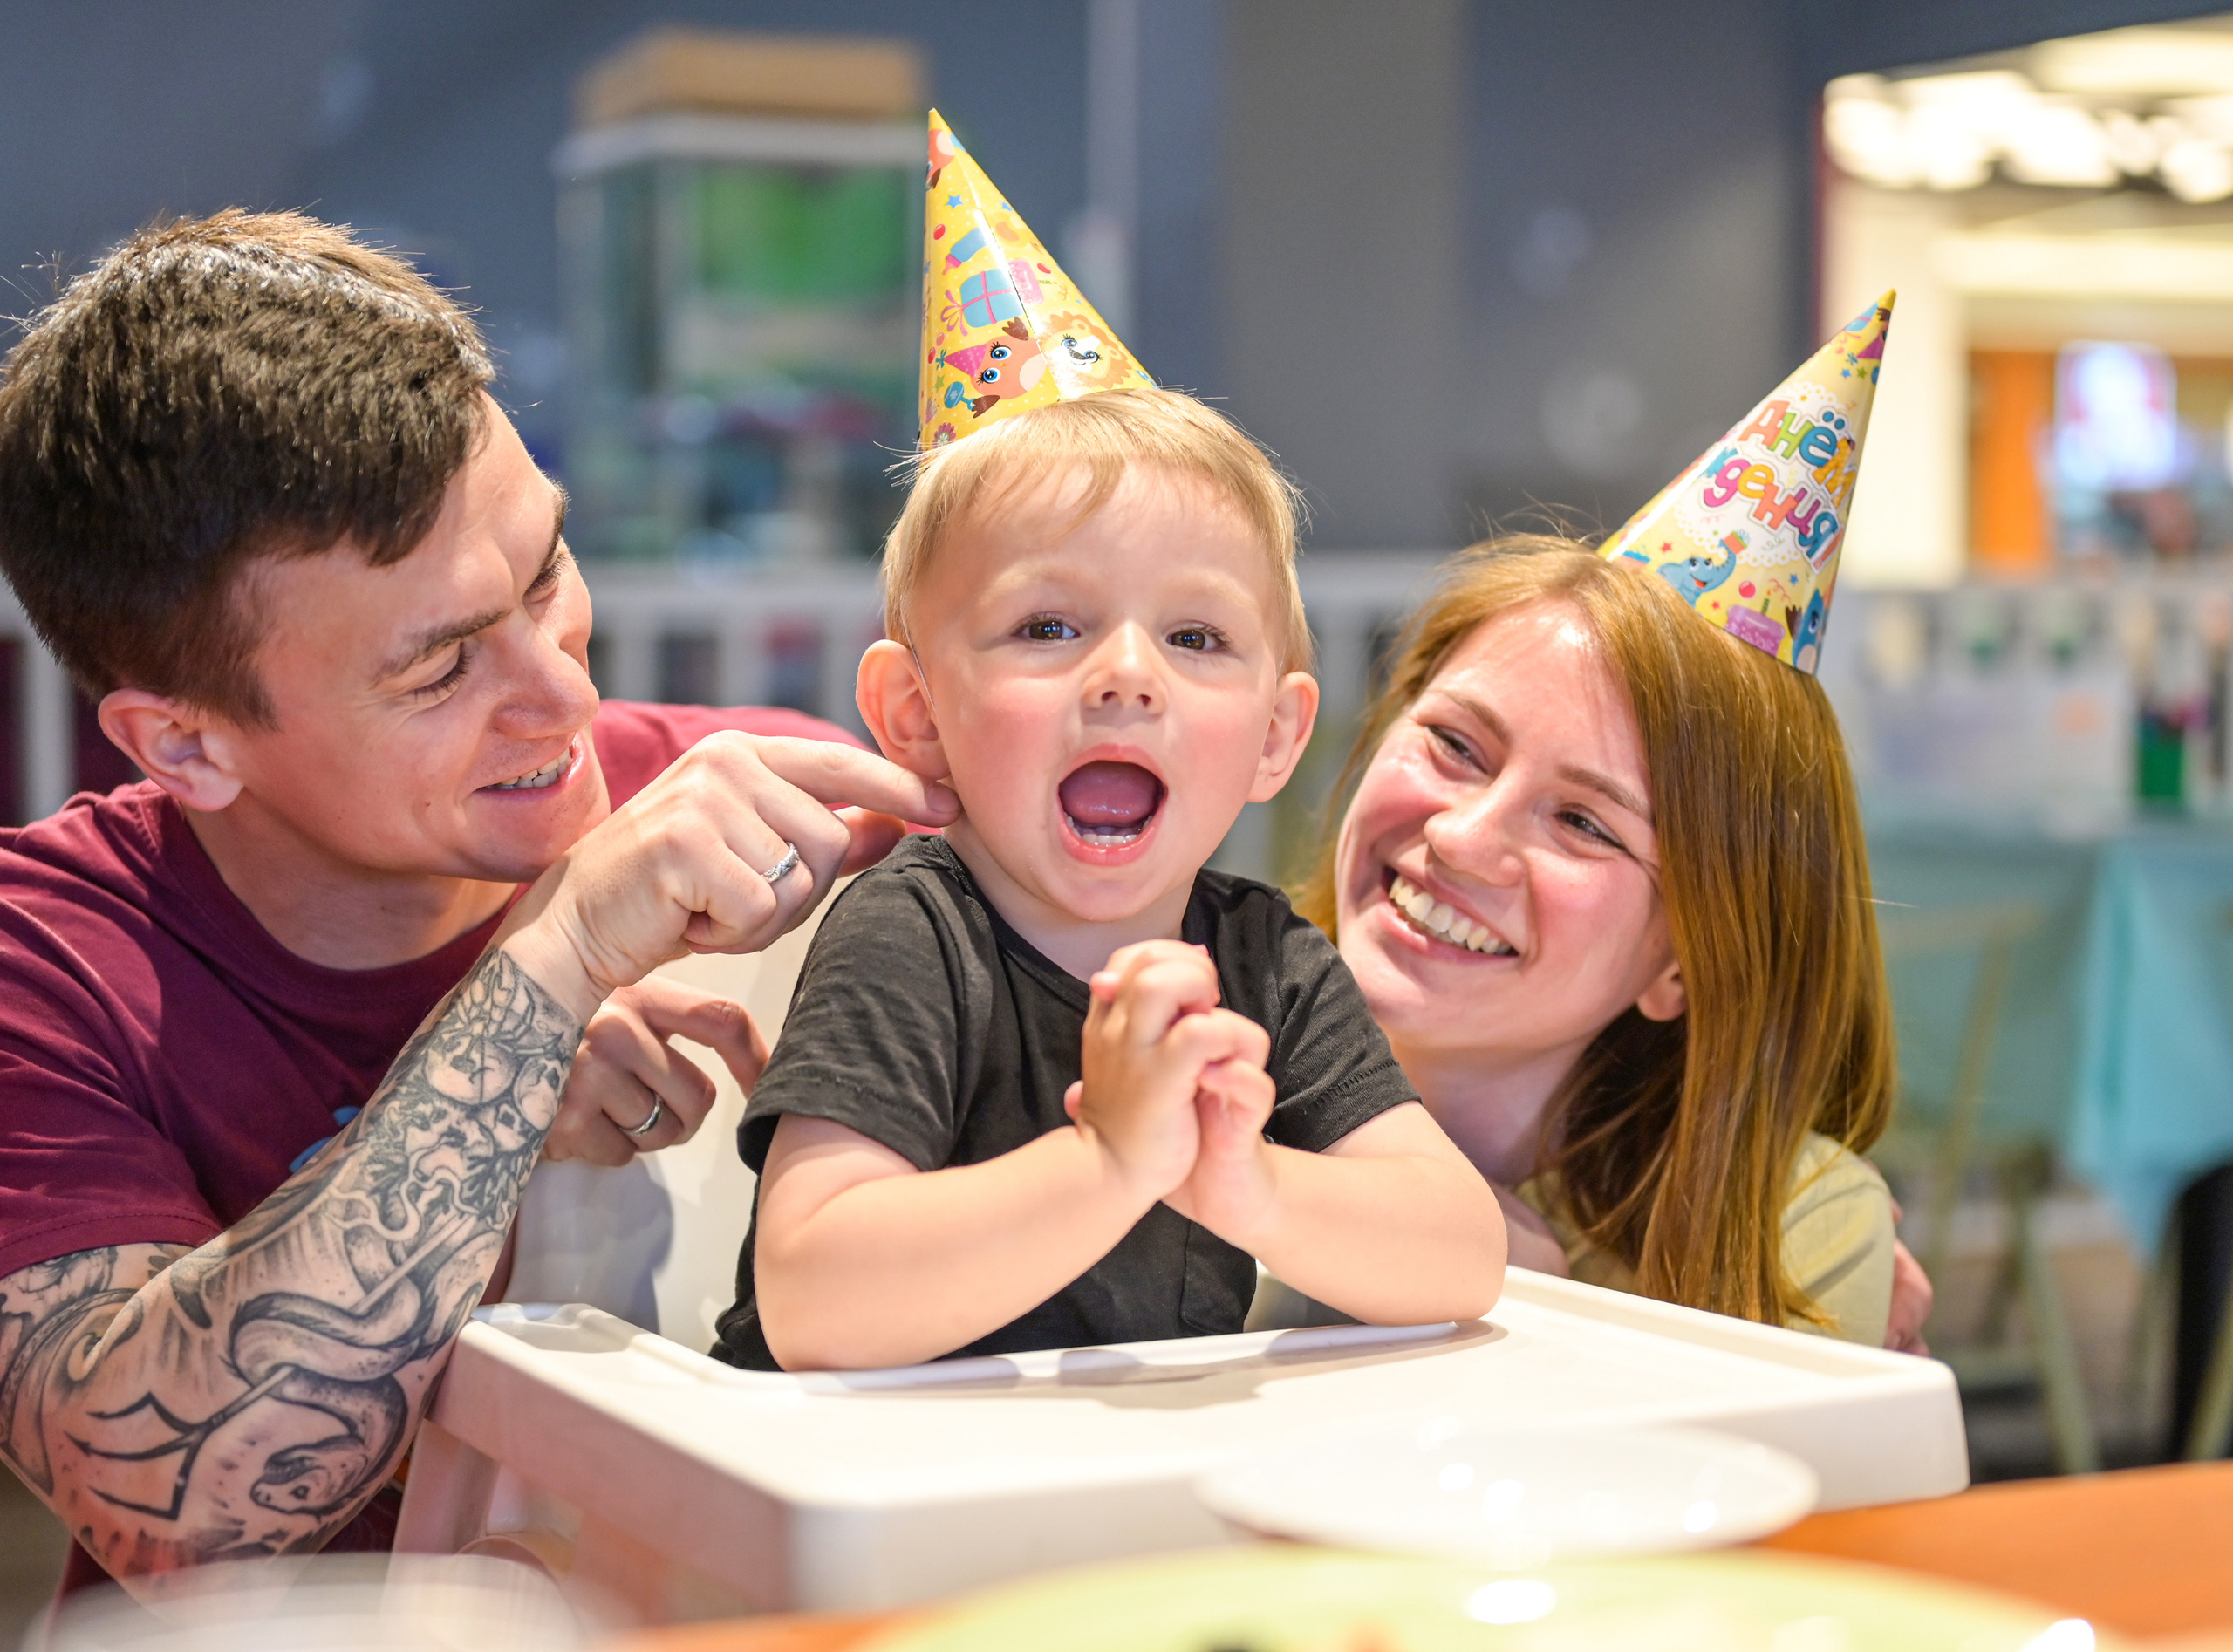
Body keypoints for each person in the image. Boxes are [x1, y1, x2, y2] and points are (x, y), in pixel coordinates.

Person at [0, 209, 955, 1592]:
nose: (568, 691)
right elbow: (171, 1496)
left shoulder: (767, 798)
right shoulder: (49, 962)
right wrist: (550, 969)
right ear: (185, 745)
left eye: (547, 569)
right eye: (442, 667)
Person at [711, 119, 1501, 1372]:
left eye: (1195, 636)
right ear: (918, 714)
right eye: (1048, 624)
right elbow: (812, 1296)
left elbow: (1459, 1252)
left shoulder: (1265, 960)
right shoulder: (916, 934)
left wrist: (1250, 1188)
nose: (1127, 674)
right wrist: (1110, 1161)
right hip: (860, 1524)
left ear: (1276, 735)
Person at [1293, 296, 1933, 1348]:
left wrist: (1526, 1308)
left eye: (1585, 822)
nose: (1461, 836)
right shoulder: (1166, 1060)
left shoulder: (1789, 1234)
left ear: (1682, 959)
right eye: (1454, 744)